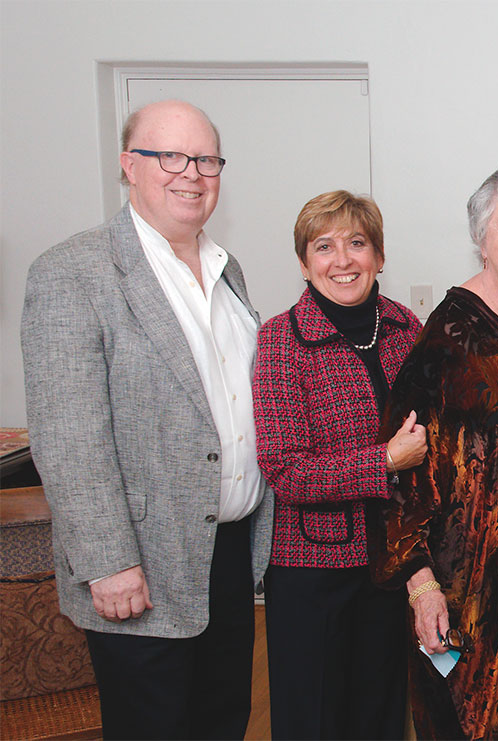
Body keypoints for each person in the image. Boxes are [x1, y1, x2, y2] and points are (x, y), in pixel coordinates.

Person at [20, 100, 271, 739]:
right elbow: (70, 437)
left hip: (229, 552)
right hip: (141, 566)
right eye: (172, 157)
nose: (192, 173)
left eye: (207, 159)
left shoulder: (226, 269)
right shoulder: (73, 271)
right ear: (130, 167)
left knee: (222, 722)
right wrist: (107, 561)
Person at [370, 158, 498, 739]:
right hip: (458, 581)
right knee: (455, 714)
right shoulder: (446, 337)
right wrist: (421, 584)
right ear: (481, 238)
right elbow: (399, 469)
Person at [252, 190, 424, 739]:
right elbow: (286, 470)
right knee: (317, 719)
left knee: (380, 713)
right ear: (304, 263)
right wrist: (385, 462)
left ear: (378, 255)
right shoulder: (280, 340)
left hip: (391, 561)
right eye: (324, 246)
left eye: (357, 243)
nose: (343, 260)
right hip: (313, 570)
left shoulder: (406, 329)